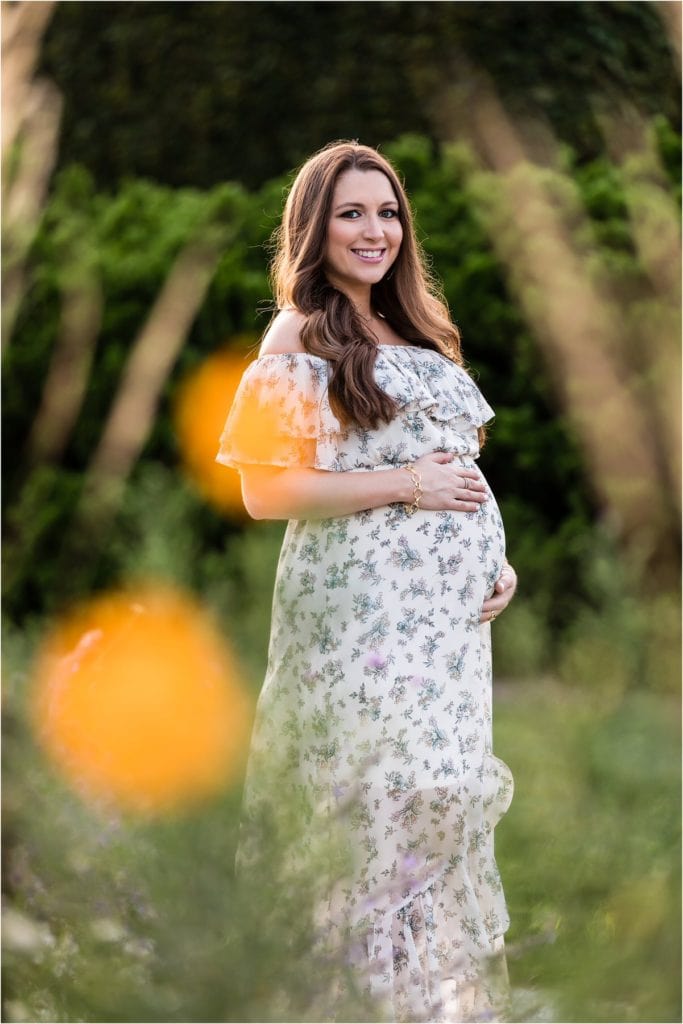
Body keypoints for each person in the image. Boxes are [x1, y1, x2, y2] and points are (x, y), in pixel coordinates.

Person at [216, 141, 518, 1023]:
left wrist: (493, 562)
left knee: (433, 805)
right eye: (350, 213)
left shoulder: (420, 329)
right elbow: (264, 490)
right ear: (313, 227)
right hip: (360, 635)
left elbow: (457, 469)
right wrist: (409, 486)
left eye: (386, 213)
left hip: (449, 642)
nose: (373, 230)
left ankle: (433, 1006)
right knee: (366, 814)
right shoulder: (297, 334)